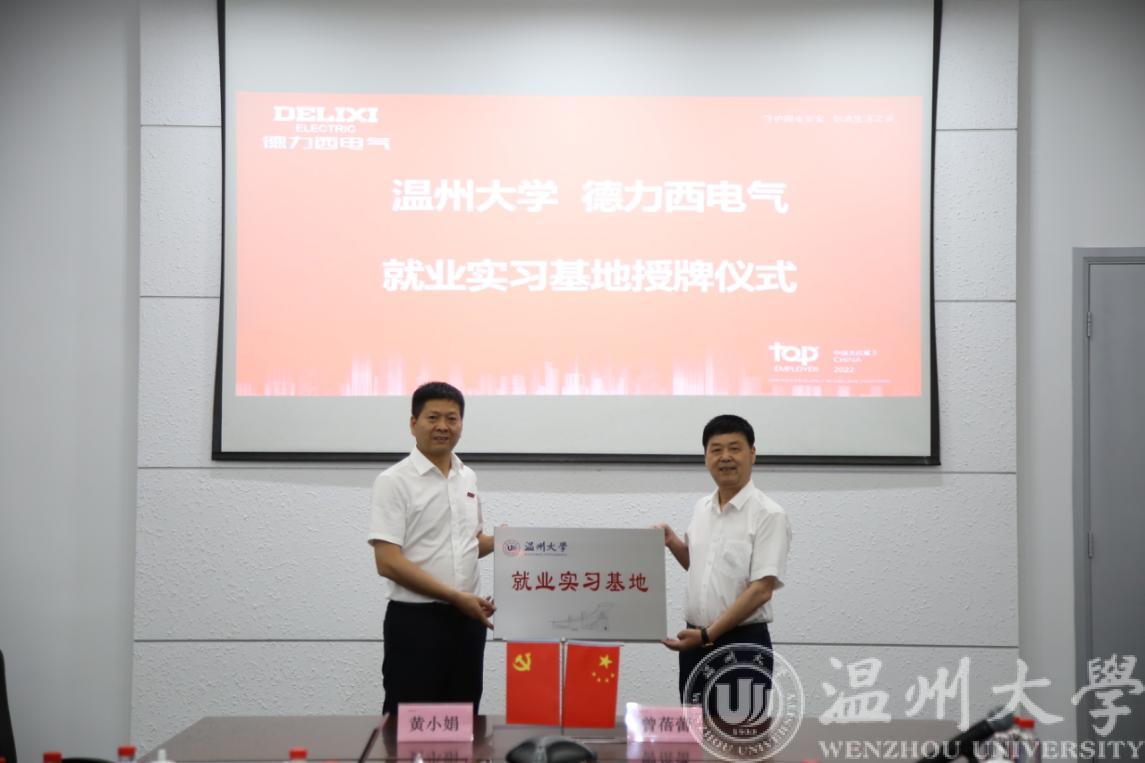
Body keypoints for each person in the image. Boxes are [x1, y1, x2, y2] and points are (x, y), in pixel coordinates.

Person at [368, 381, 495, 715]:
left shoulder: (467, 477)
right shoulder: (394, 481)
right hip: (416, 623)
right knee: (410, 722)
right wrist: (455, 596)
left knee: (462, 720)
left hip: (468, 620)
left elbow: (468, 544)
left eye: (452, 419)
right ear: (413, 424)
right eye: (433, 417)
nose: (443, 426)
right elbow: (387, 562)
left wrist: (504, 542)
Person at [658, 414, 792, 700]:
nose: (725, 457)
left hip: (741, 645)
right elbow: (698, 565)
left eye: (734, 448)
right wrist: (671, 542)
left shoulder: (769, 514)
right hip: (694, 642)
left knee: (738, 727)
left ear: (752, 454)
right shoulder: (702, 508)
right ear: (706, 457)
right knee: (694, 725)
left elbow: (761, 589)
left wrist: (709, 635)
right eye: (716, 449)